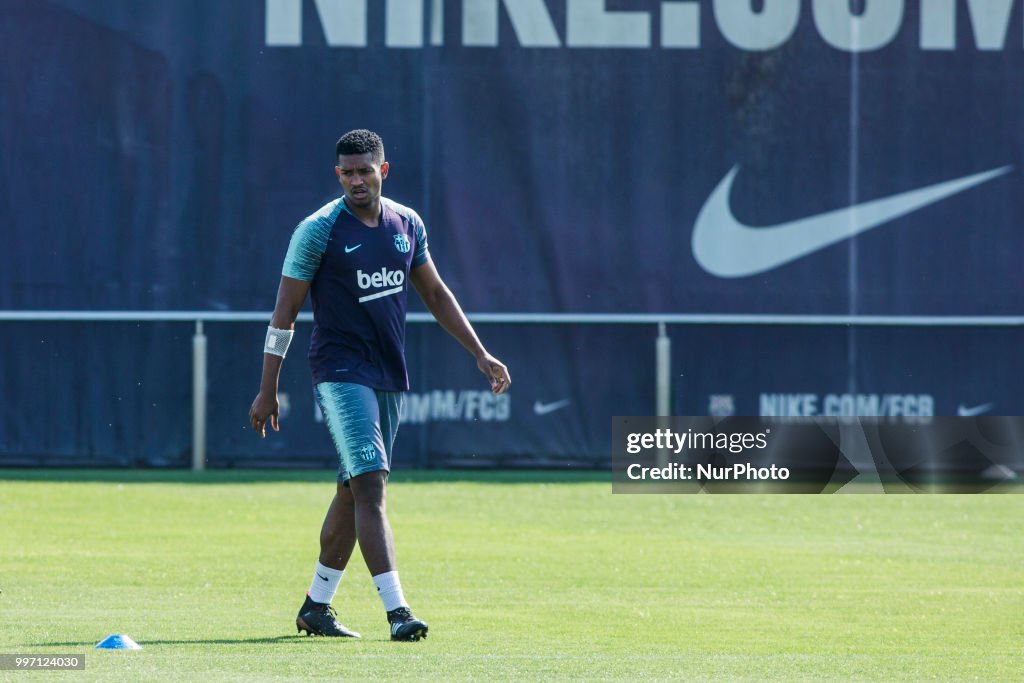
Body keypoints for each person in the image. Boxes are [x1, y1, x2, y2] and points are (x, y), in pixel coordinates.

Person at [248, 129, 511, 641]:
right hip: (340, 371)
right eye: (347, 172)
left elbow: (434, 292)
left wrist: (480, 353)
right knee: (371, 485)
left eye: (365, 170)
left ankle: (315, 607)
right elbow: (285, 314)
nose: (356, 180)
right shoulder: (318, 230)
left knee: (351, 491)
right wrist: (267, 387)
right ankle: (398, 612)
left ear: (383, 171)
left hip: (388, 373)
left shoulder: (406, 223)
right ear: (337, 175)